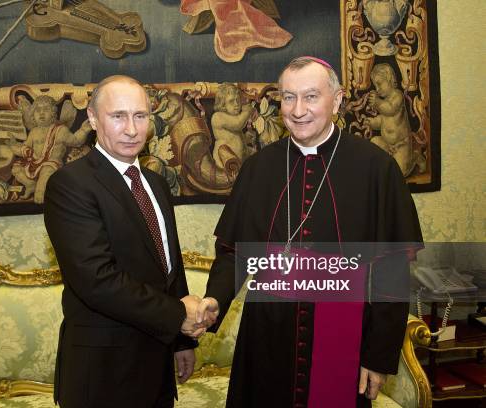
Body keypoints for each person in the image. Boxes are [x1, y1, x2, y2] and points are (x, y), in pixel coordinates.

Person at [202, 57, 423, 407]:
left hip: (342, 337)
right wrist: (212, 300)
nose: (298, 109)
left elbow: (392, 271)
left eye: (311, 97)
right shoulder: (258, 169)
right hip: (266, 336)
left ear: (337, 100)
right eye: (288, 98)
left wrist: (378, 356)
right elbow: (232, 252)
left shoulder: (376, 169)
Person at [43, 75, 213, 408]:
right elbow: (97, 280)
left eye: (141, 116)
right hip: (103, 374)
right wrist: (178, 314)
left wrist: (181, 342)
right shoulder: (70, 185)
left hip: (157, 366)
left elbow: (168, 265)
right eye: (118, 116)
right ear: (93, 119)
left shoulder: (155, 183)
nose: (132, 129)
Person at [10, 95, 92, 204]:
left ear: (53, 114)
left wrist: (84, 130)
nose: (41, 113)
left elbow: (76, 141)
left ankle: (40, 193)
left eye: (46, 110)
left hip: (52, 164)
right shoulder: (34, 132)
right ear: (33, 115)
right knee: (16, 169)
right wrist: (13, 145)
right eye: (38, 110)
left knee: (45, 174)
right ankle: (31, 185)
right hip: (34, 163)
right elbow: (26, 148)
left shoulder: (60, 131)